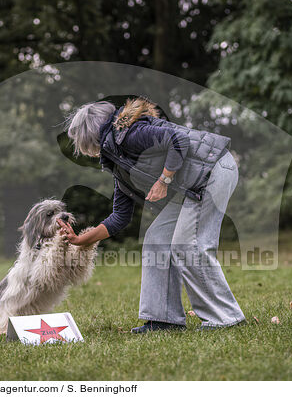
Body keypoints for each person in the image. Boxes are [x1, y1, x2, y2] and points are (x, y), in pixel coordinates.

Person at [59, 97, 245, 333]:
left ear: (89, 137)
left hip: (214, 169)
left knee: (188, 245)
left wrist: (163, 180)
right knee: (157, 239)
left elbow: (179, 140)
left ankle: (226, 317)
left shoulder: (130, 134)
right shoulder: (119, 161)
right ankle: (164, 320)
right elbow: (119, 217)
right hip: (192, 184)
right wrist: (80, 240)